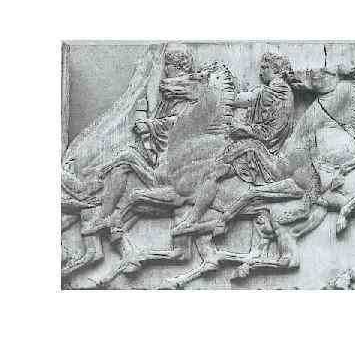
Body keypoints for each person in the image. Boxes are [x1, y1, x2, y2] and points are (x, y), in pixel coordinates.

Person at [84, 44, 199, 233]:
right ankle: (105, 215)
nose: (165, 69)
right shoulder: (172, 89)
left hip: (177, 153)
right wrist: (146, 121)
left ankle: (102, 213)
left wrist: (150, 125)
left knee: (126, 158)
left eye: (168, 65)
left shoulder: (188, 88)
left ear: (177, 66)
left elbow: (182, 121)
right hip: (160, 144)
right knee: (124, 160)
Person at [174, 52, 295, 230]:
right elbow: (246, 102)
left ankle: (193, 219)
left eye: (265, 68)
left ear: (276, 70)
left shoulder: (275, 92)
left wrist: (243, 129)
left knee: (213, 172)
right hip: (257, 144)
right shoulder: (276, 91)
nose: (261, 72)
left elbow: (271, 131)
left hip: (259, 148)